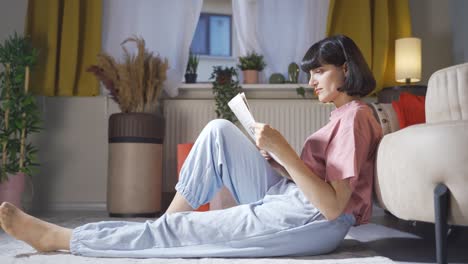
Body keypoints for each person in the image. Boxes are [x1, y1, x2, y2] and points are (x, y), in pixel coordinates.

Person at [0, 34, 382, 258]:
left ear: (345, 70)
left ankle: (63, 239)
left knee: (193, 231)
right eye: (311, 73)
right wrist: (281, 165)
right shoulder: (340, 115)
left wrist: (283, 151)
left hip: (312, 218)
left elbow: (333, 207)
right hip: (289, 195)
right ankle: (165, 226)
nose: (313, 81)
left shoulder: (356, 117)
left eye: (320, 71)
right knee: (218, 130)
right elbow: (320, 180)